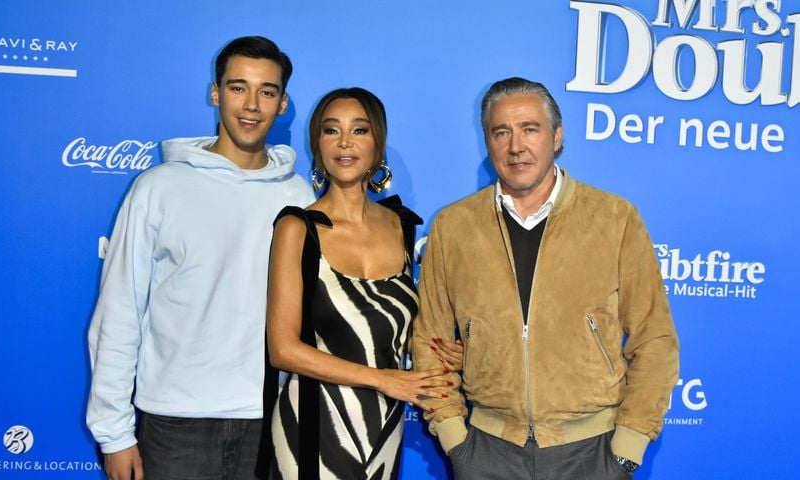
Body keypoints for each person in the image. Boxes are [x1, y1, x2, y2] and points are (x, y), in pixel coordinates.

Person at [412, 77, 680, 479]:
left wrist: (628, 448)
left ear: (557, 136)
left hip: (593, 452)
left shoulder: (614, 218)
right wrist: (454, 438)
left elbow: (655, 338)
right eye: (501, 132)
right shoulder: (454, 226)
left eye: (530, 129)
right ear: (487, 141)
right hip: (486, 452)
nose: (515, 146)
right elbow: (429, 340)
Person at [86, 36, 315, 480]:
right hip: (173, 425)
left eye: (267, 91)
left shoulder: (299, 196)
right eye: (238, 87)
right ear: (215, 93)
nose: (251, 105)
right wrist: (114, 434)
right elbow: (119, 312)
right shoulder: (158, 187)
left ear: (282, 103)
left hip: (270, 419)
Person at [259, 87, 449, 480]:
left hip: (385, 427)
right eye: (331, 130)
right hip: (312, 429)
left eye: (359, 130)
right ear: (317, 145)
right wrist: (383, 380)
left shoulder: (401, 226)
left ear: (378, 144)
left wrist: (442, 351)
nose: (344, 142)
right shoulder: (297, 228)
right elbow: (282, 350)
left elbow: (391, 329)